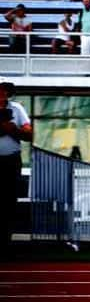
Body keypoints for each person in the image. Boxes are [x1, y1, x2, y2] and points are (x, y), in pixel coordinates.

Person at [0, 81, 31, 249]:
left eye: (6, 90)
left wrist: (11, 129)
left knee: (9, 201)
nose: (3, 93)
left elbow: (28, 132)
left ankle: (6, 241)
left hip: (11, 159)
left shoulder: (17, 108)